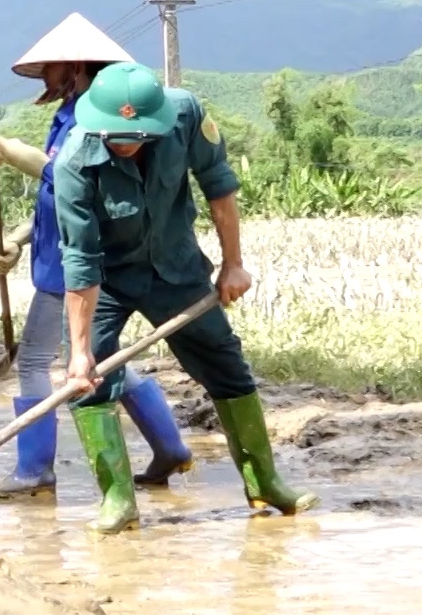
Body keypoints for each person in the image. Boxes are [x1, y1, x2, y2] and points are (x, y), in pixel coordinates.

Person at [55, 61, 317, 533]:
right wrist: (79, 352)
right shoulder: (73, 162)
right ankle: (117, 500)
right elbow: (80, 260)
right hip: (109, 279)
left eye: (138, 134)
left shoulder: (185, 115)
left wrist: (233, 263)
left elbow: (219, 188)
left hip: (176, 270)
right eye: (118, 135)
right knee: (87, 381)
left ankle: (265, 482)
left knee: (226, 364)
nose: (128, 142)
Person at [0, 14, 195, 498]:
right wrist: (18, 237)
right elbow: (63, 194)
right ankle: (170, 446)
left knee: (35, 359)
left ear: (73, 67)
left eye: (51, 68)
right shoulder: (71, 115)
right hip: (62, 249)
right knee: (106, 357)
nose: (46, 79)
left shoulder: (95, 117)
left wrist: (15, 154)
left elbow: (72, 185)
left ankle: (35, 469)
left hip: (77, 261)